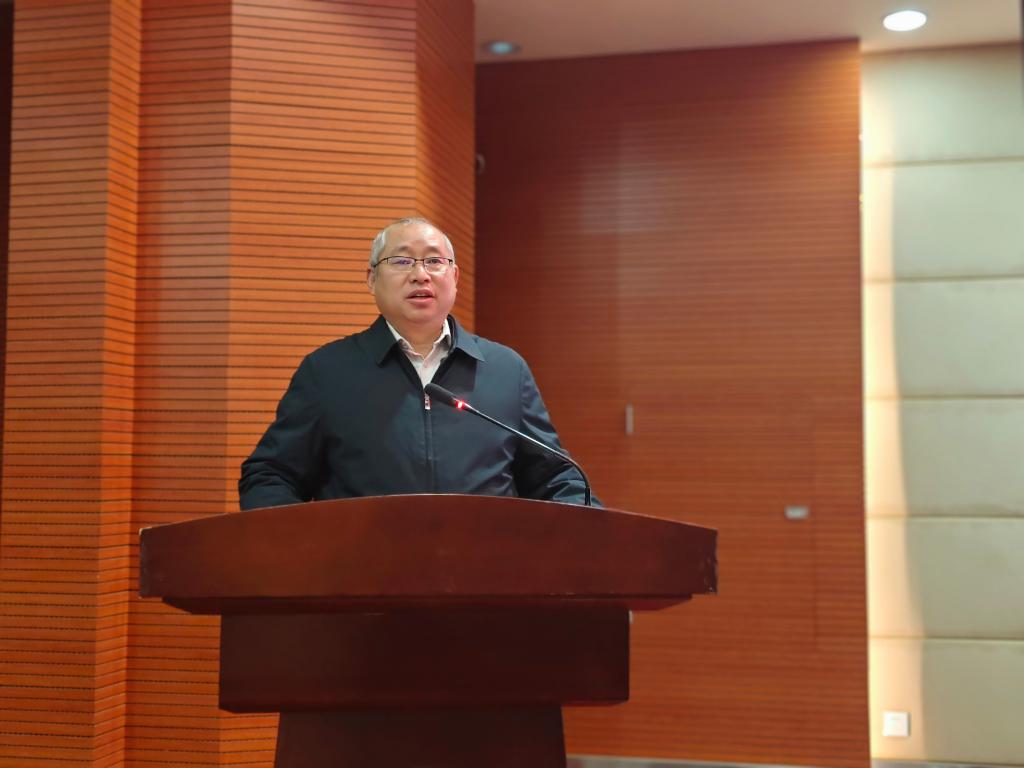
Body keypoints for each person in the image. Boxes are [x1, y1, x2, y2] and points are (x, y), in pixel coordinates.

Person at [238, 217, 591, 510]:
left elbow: (557, 478)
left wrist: (591, 538)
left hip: (481, 568)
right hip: (363, 570)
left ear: (454, 278)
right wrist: (303, 551)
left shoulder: (505, 370)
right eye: (402, 261)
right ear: (371, 279)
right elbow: (271, 476)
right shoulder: (327, 371)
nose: (420, 274)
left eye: (434, 261)